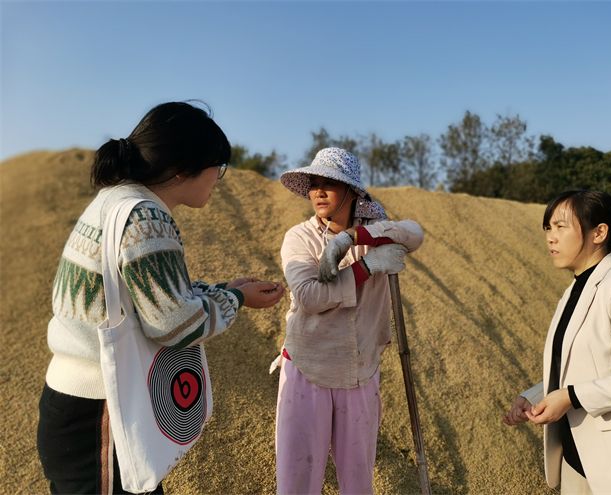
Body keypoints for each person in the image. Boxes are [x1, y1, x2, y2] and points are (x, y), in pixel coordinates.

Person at [36, 101, 285, 494]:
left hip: (75, 402)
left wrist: (224, 290)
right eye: (217, 167)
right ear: (183, 168)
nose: (218, 179)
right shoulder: (147, 218)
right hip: (102, 410)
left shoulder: (114, 200)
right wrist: (236, 300)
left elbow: (144, 297)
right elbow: (174, 324)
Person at [272, 147, 424, 494]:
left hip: (360, 371)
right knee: (298, 478)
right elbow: (309, 296)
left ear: (352, 191)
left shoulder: (374, 234)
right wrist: (366, 267)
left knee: (357, 479)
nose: (318, 192)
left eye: (329, 183)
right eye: (314, 184)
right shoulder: (300, 237)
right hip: (309, 367)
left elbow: (414, 233)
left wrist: (351, 238)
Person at [503, 190, 611, 493]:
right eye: (548, 228)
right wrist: (536, 396)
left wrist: (571, 397)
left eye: (561, 227)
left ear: (599, 233)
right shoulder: (574, 291)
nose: (550, 237)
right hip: (577, 458)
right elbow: (588, 364)